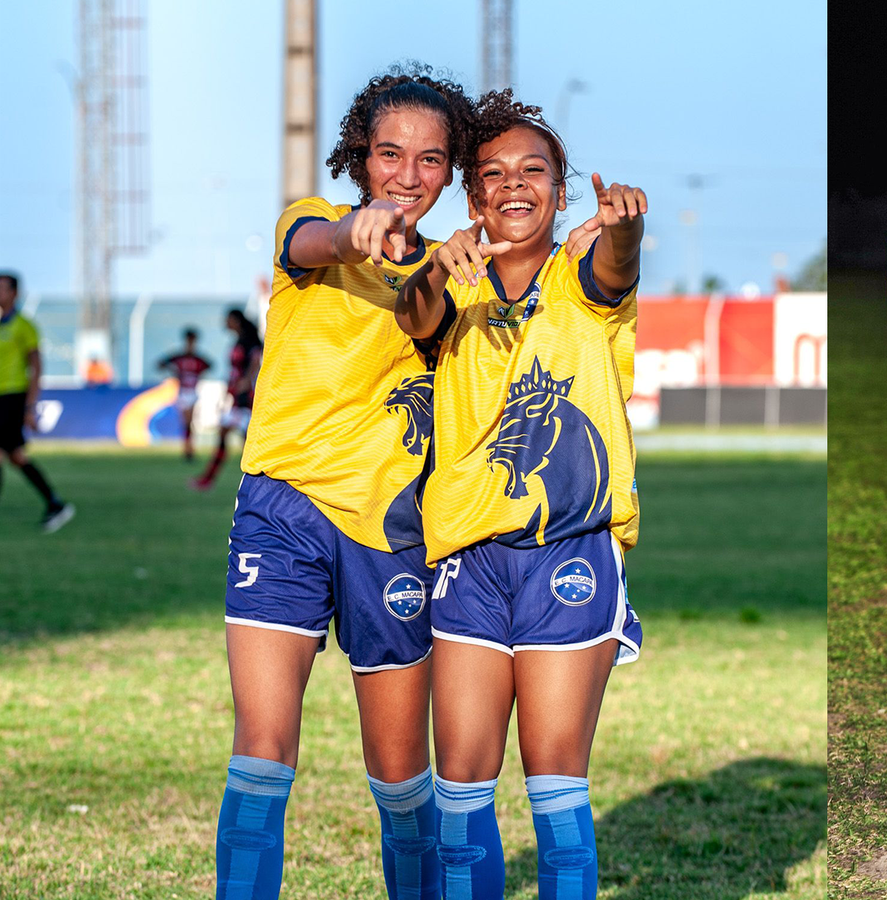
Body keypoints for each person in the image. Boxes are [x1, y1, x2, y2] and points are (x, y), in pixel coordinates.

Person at [213, 64, 476, 900]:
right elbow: (309, 247)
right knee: (262, 746)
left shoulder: (450, 270)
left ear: (451, 170)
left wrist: (431, 267)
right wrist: (355, 231)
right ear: (359, 156)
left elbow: (427, 318)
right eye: (390, 153)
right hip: (281, 512)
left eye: (431, 160)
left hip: (388, 532)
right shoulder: (317, 222)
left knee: (401, 775)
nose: (407, 175)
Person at [394, 89, 644, 900]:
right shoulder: (453, 282)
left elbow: (620, 265)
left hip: (570, 555)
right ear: (473, 198)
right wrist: (435, 262)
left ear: (561, 191)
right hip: (468, 558)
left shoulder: (583, 274)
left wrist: (627, 223)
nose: (513, 184)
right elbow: (414, 315)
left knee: (554, 785)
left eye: (533, 170)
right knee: (461, 784)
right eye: (493, 173)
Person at [0, 270, 73, 532]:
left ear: (15, 293)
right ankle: (55, 503)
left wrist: (30, 406)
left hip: (12, 396)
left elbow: (36, 367)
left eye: (2, 288)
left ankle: (56, 503)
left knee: (6, 454)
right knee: (14, 456)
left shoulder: (24, 326)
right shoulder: (1, 325)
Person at [192, 310, 261, 490]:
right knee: (232, 436)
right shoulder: (238, 341)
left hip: (247, 398)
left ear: (236, 321)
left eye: (228, 320)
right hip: (236, 397)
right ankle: (208, 480)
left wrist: (246, 382)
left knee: (248, 441)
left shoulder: (249, 341)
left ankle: (262, 481)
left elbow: (256, 362)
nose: (225, 323)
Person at [160, 327, 212, 460]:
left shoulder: (198, 359)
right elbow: (161, 363)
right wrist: (174, 372)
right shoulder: (179, 357)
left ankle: (188, 448)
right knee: (186, 422)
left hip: (192, 392)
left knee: (189, 421)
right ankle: (188, 448)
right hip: (183, 392)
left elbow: (209, 365)